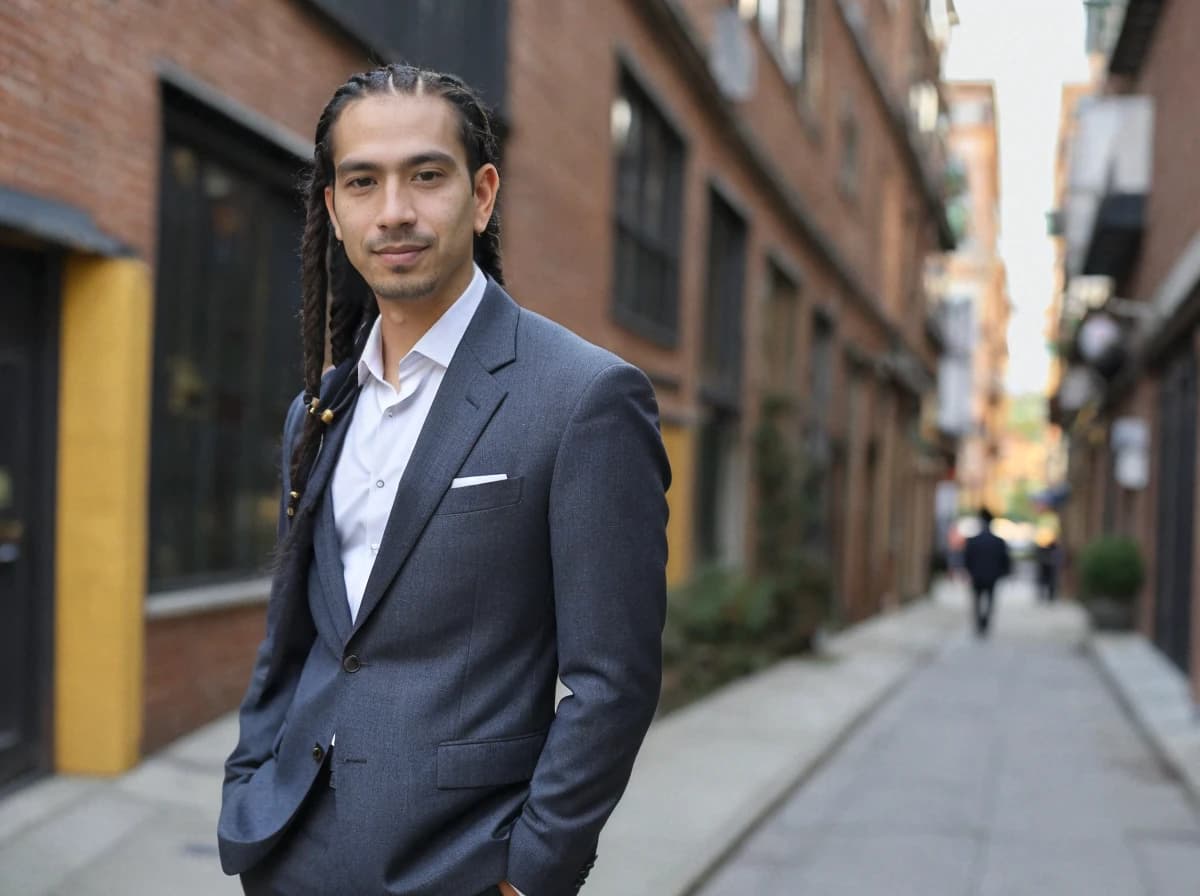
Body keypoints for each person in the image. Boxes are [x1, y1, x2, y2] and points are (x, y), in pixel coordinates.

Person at [217, 63, 671, 896]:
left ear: (483, 194)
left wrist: (534, 873)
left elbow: (615, 681)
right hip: (288, 857)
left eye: (426, 175)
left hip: (460, 868)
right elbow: (293, 637)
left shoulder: (583, 399)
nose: (394, 210)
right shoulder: (317, 410)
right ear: (334, 209)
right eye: (363, 182)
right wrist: (248, 785)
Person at [963, 507, 1010, 637]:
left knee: (977, 600)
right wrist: (1003, 573)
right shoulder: (998, 541)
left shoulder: (973, 541)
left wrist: (968, 571)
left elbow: (967, 559)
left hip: (976, 576)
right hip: (992, 576)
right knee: (990, 600)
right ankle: (985, 622)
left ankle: (979, 623)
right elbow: (1005, 560)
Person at [1036, 534, 1063, 602]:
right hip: (1050, 570)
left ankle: (1046, 596)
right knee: (1050, 584)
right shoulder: (1055, 550)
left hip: (1047, 570)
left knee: (1046, 584)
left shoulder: (1045, 551)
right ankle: (1049, 597)